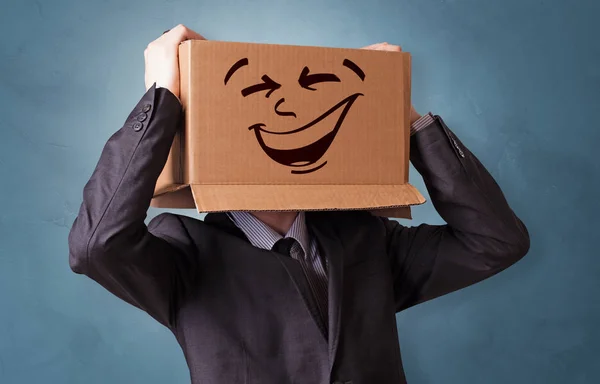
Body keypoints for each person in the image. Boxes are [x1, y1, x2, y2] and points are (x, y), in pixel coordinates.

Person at [68, 24, 530, 384]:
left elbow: (495, 241)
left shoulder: (367, 240)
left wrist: (402, 115)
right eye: (255, 96)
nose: (289, 110)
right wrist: (163, 98)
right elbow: (95, 246)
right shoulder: (184, 252)